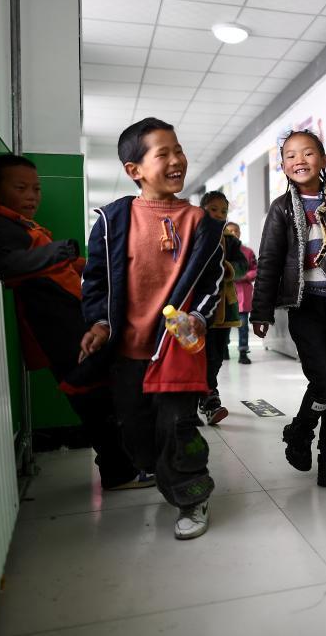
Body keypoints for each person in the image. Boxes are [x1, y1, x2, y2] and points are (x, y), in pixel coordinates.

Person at [80, 117, 225, 540]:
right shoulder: (113, 221)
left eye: (178, 150)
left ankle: (192, 494)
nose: (177, 160)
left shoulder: (200, 222)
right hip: (129, 352)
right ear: (134, 170)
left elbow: (213, 281)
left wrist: (198, 317)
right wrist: (100, 323)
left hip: (176, 351)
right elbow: (95, 280)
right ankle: (162, 471)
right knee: (136, 433)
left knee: (178, 429)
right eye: (164, 154)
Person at [0, 154, 146, 492]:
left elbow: (58, 267)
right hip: (59, 332)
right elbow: (3, 265)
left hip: (72, 325)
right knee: (93, 398)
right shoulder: (2, 226)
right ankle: (119, 472)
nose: (32, 196)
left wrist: (99, 263)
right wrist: (61, 251)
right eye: (21, 188)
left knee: (101, 393)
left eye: (36, 189)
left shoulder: (23, 226)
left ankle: (125, 465)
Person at [250, 129, 326, 488]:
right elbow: (269, 261)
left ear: (323, 160)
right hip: (306, 308)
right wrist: (260, 311)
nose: (299, 160)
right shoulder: (282, 208)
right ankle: (301, 430)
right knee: (325, 381)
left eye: (307, 153)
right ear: (283, 165)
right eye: (290, 155)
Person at [198, 191, 247, 424]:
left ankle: (206, 393)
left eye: (223, 211)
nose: (219, 214)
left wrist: (228, 268)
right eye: (213, 209)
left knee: (217, 355)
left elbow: (243, 266)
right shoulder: (194, 236)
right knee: (205, 354)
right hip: (198, 308)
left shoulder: (231, 241)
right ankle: (209, 396)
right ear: (202, 211)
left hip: (223, 308)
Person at [225, 221, 257, 365]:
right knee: (225, 325)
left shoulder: (248, 252)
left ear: (240, 232)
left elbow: (256, 270)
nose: (233, 233)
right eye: (230, 231)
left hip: (243, 296)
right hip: (226, 296)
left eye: (236, 231)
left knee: (243, 326)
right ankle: (224, 349)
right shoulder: (221, 251)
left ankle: (243, 352)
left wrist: (242, 276)